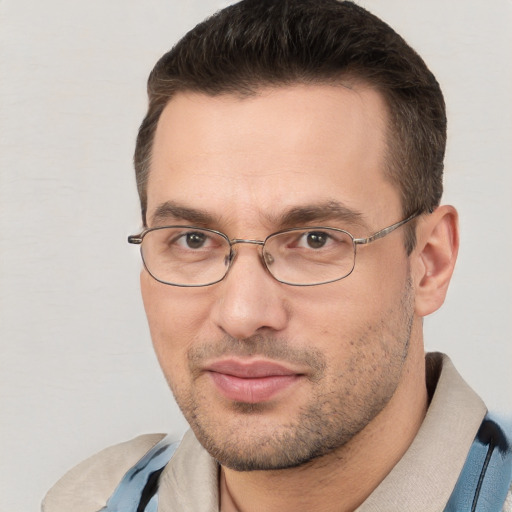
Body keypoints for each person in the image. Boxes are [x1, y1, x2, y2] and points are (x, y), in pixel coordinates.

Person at [43, 0, 512, 510]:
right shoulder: (91, 499)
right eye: (192, 240)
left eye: (315, 240)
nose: (242, 315)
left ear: (429, 262)